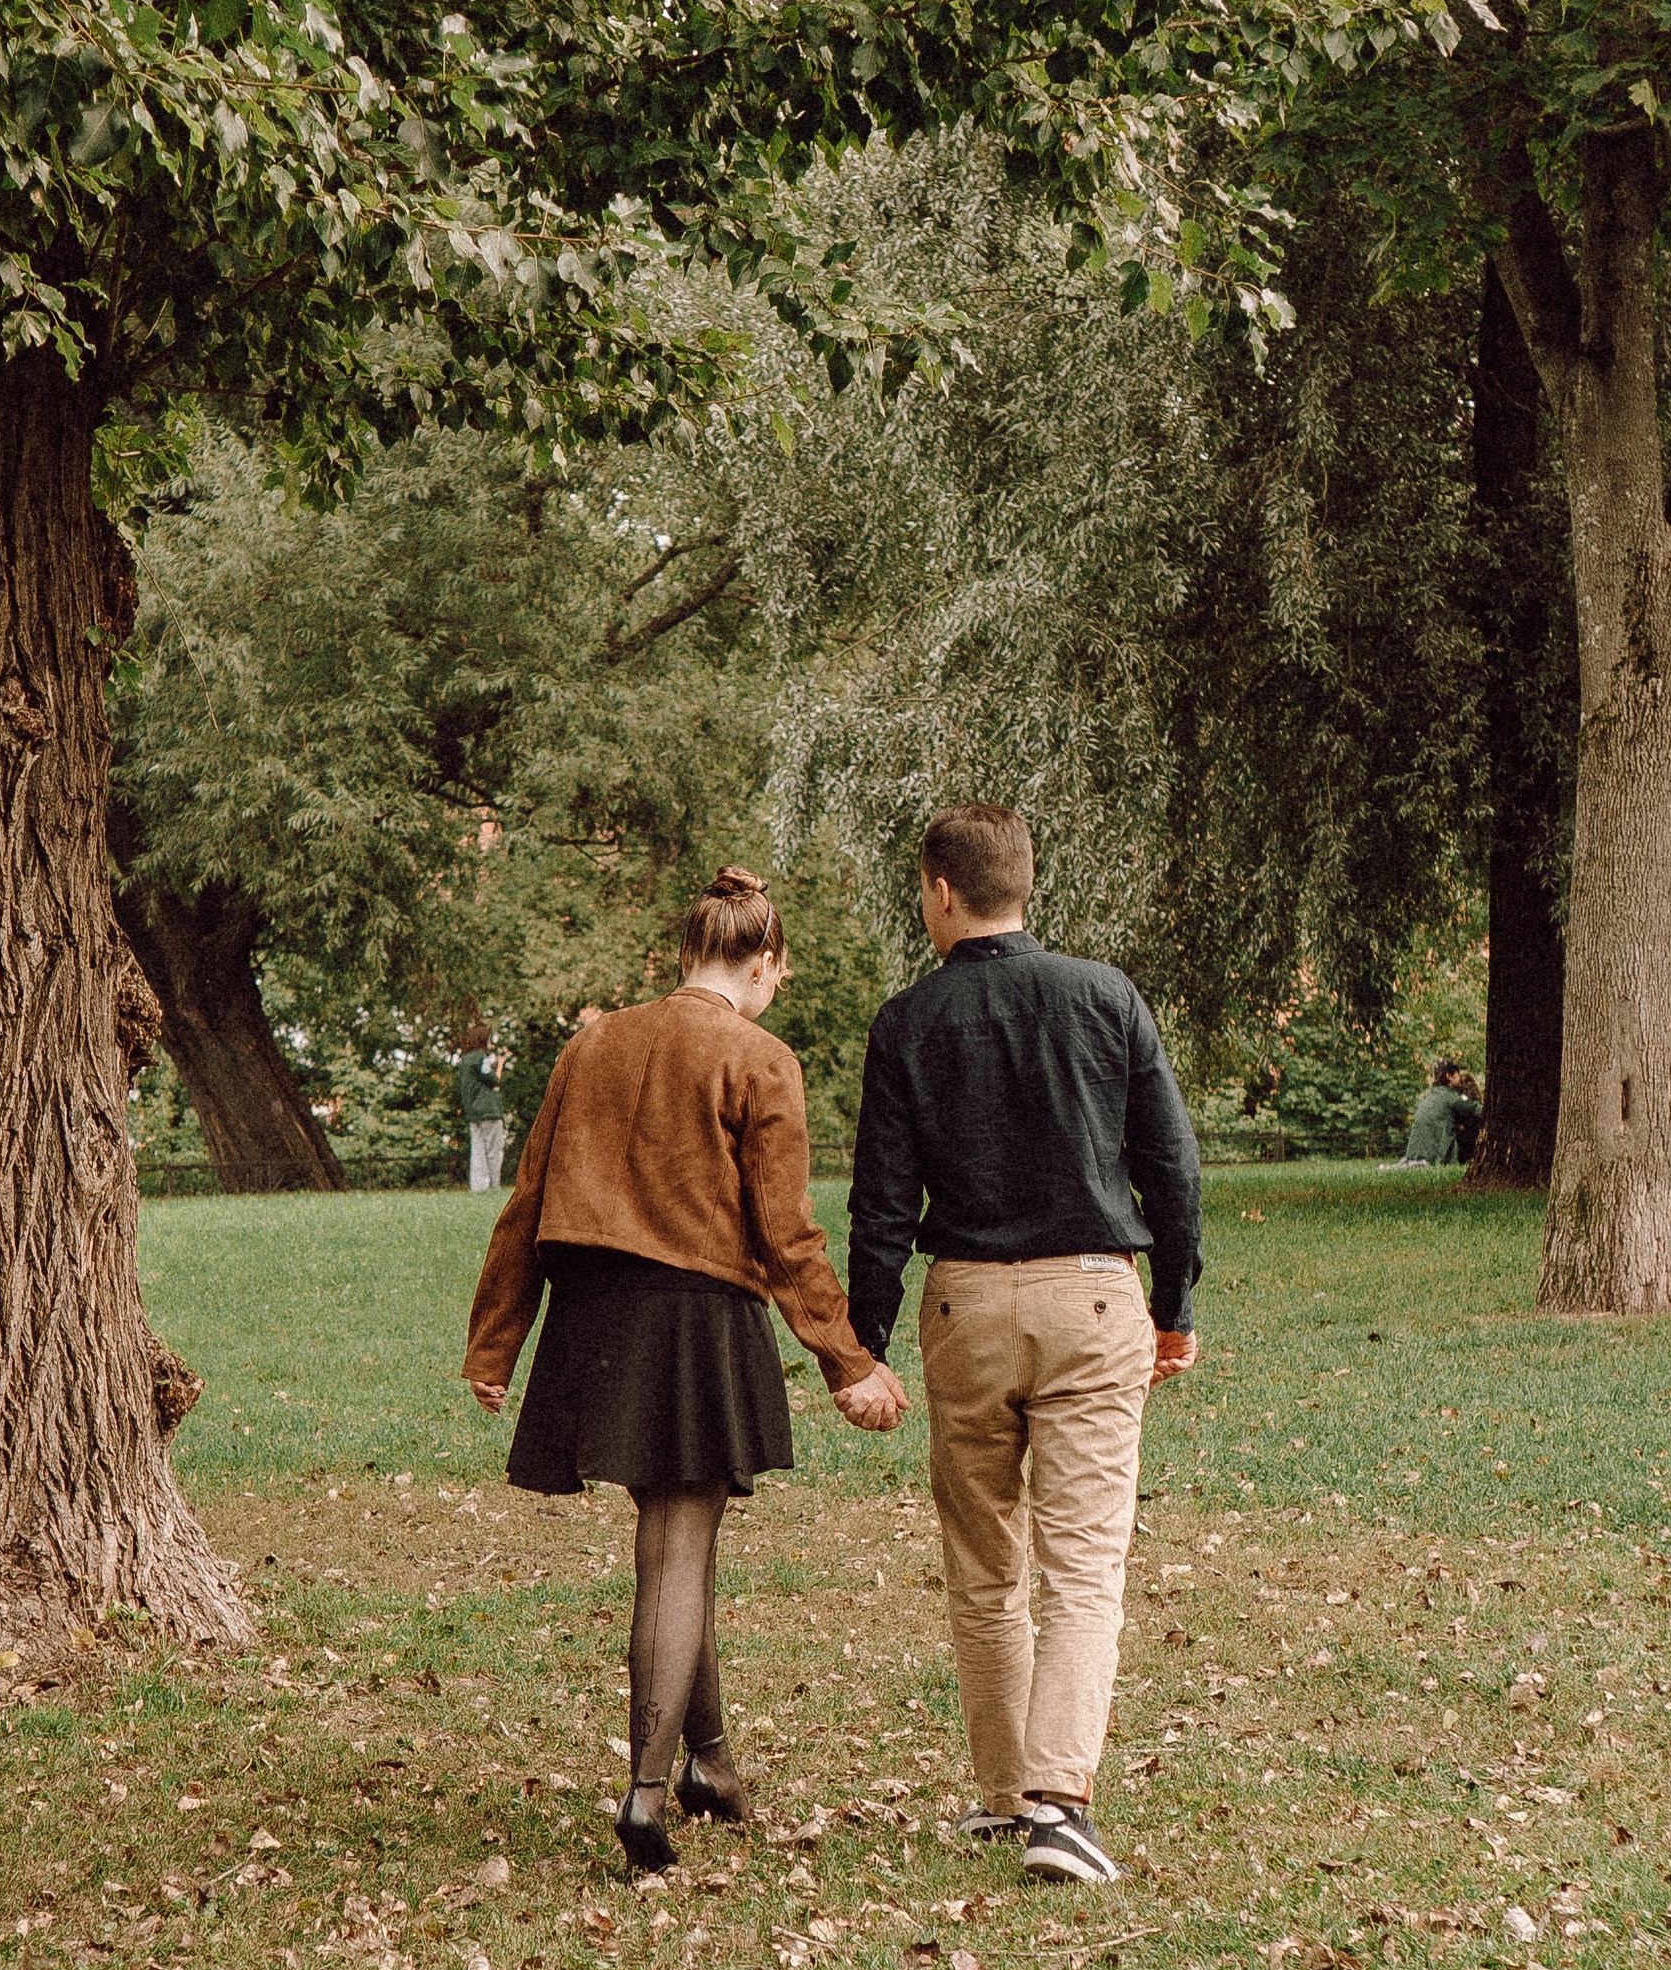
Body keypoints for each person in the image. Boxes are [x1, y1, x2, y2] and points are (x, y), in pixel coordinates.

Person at [465, 868, 906, 1875]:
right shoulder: (758, 1057)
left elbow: (526, 1200)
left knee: (675, 1543)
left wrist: (497, 1342)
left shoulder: (591, 1045)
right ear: (760, 963)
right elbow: (786, 1233)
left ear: (683, 954)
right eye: (777, 976)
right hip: (697, 1320)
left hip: (591, 1322)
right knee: (677, 1550)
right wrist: (848, 1363)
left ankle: (708, 1764)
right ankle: (644, 1792)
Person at [847, 803, 1202, 1888]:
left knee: (983, 1561)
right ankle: (1058, 1802)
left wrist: (863, 1341)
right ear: (1022, 886)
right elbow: (1173, 1166)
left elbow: (880, 1204)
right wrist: (1175, 1303)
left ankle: (1007, 1796)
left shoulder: (907, 1022)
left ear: (941, 892)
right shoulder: (1105, 996)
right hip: (1095, 1297)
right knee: (1084, 1562)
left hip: (963, 1307)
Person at [453, 1028, 508, 1192]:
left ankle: (478, 1187)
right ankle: (493, 1185)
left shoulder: (465, 1060)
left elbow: (478, 1075)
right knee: (493, 1151)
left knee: (477, 1151)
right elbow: (494, 1080)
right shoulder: (480, 1057)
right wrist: (501, 1065)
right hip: (489, 1111)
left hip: (473, 1112)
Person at [1401, 1059, 1477, 1166]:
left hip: (1414, 1155)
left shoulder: (1432, 1096)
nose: (1460, 1077)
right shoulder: (1451, 1097)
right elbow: (1476, 1109)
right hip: (1431, 1158)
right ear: (1449, 1076)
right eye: (1457, 1074)